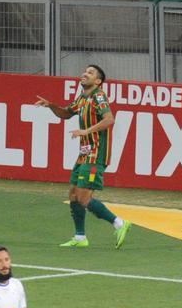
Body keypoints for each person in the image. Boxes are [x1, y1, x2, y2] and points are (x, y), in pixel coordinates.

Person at [34, 64, 132, 249]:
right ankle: (80, 237)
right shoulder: (82, 98)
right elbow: (66, 113)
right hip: (85, 154)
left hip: (96, 154)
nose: (84, 74)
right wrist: (51, 106)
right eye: (85, 71)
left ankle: (119, 223)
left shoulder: (98, 96)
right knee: (73, 193)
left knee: (83, 198)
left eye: (90, 73)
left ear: (98, 81)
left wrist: (86, 131)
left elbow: (109, 119)